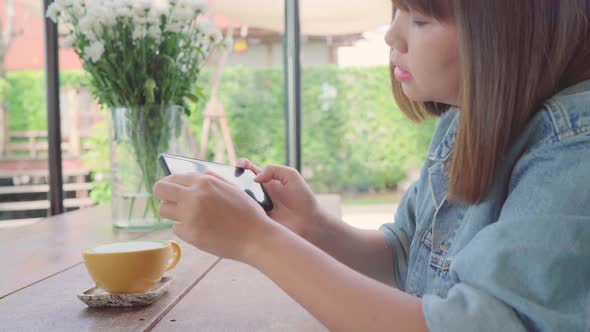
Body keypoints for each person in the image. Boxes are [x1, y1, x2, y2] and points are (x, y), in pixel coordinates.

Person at [153, 0, 590, 330]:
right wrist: (316, 227)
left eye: (420, 19)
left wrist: (256, 240)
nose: (392, 37)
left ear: (510, 31)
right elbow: (408, 258)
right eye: (397, 10)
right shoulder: (463, 122)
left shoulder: (573, 153)